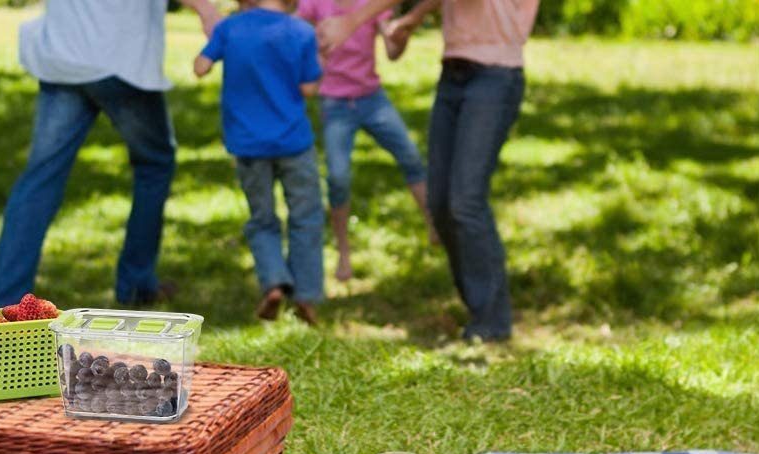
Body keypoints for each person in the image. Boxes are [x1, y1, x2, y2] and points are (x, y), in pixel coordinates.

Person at [319, 0, 539, 341]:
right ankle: (478, 306)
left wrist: (353, 21)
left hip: (495, 75)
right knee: (438, 201)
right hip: (454, 72)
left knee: (465, 201)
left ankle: (492, 320)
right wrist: (414, 18)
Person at [0, 0, 220, 309]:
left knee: (41, 177)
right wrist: (207, 11)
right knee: (155, 162)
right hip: (118, 59)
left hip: (64, 54)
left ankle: (6, 299)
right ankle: (136, 284)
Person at [194, 0, 325, 324]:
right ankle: (306, 295)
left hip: (248, 144)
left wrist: (212, 37)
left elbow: (200, 67)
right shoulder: (301, 31)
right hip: (294, 142)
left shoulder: (231, 28)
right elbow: (309, 88)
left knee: (262, 218)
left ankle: (273, 283)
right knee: (305, 216)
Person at [297, 0, 435, 282]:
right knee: (338, 177)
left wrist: (402, 34)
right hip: (335, 104)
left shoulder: (372, 4)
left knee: (410, 155)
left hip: (372, 99)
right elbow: (296, 38)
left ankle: (434, 226)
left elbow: (393, 52)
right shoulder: (313, 4)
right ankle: (343, 253)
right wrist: (314, 55)